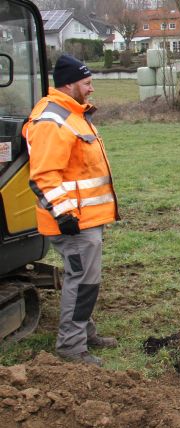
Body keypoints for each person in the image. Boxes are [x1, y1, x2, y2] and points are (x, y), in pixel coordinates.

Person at [24, 54, 120, 366]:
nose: (92, 89)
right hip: (74, 223)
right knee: (82, 281)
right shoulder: (53, 120)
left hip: (87, 219)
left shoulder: (72, 113)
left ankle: (85, 333)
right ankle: (71, 345)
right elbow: (44, 175)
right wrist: (65, 215)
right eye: (87, 83)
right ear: (69, 84)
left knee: (86, 280)